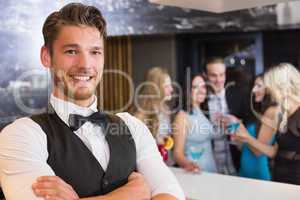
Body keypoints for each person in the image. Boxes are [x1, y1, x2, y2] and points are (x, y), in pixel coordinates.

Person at [0, 3, 184, 200]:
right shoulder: (21, 135)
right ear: (47, 57)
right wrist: (131, 195)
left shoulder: (133, 126)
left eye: (95, 52)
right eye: (71, 51)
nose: (85, 64)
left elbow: (171, 194)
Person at [232, 63, 300, 185]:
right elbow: (274, 152)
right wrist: (246, 137)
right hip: (279, 178)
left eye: (270, 86)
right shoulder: (283, 114)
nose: (268, 90)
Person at [225, 74, 276, 180]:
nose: (253, 90)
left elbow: (258, 151)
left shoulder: (272, 111)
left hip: (258, 172)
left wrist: (241, 129)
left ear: (269, 89)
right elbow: (245, 147)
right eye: (254, 85)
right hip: (245, 170)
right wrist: (236, 136)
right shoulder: (259, 111)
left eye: (258, 86)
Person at [205, 57, 247, 175]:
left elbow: (249, 126)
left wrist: (238, 123)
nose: (218, 80)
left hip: (236, 164)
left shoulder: (238, 95)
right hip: (211, 168)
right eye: (213, 75)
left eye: (221, 75)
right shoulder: (200, 100)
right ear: (206, 75)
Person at [173, 75, 217, 173]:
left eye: (203, 86)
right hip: (195, 173)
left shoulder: (204, 113)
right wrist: (189, 165)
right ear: (187, 91)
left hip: (212, 172)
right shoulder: (182, 116)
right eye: (195, 87)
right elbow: (177, 154)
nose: (201, 90)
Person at [132, 67, 175, 166]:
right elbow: (136, 148)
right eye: (167, 86)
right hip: (149, 167)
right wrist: (155, 141)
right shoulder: (141, 115)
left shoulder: (166, 110)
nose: (171, 89)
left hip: (166, 164)